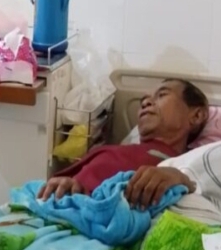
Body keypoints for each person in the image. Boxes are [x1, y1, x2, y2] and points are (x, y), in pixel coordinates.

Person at [39, 78, 209, 205]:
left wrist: (181, 179)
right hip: (62, 205)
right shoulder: (121, 150)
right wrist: (65, 184)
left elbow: (206, 192)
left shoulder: (191, 164)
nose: (146, 102)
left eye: (162, 95)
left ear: (196, 115)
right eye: (143, 101)